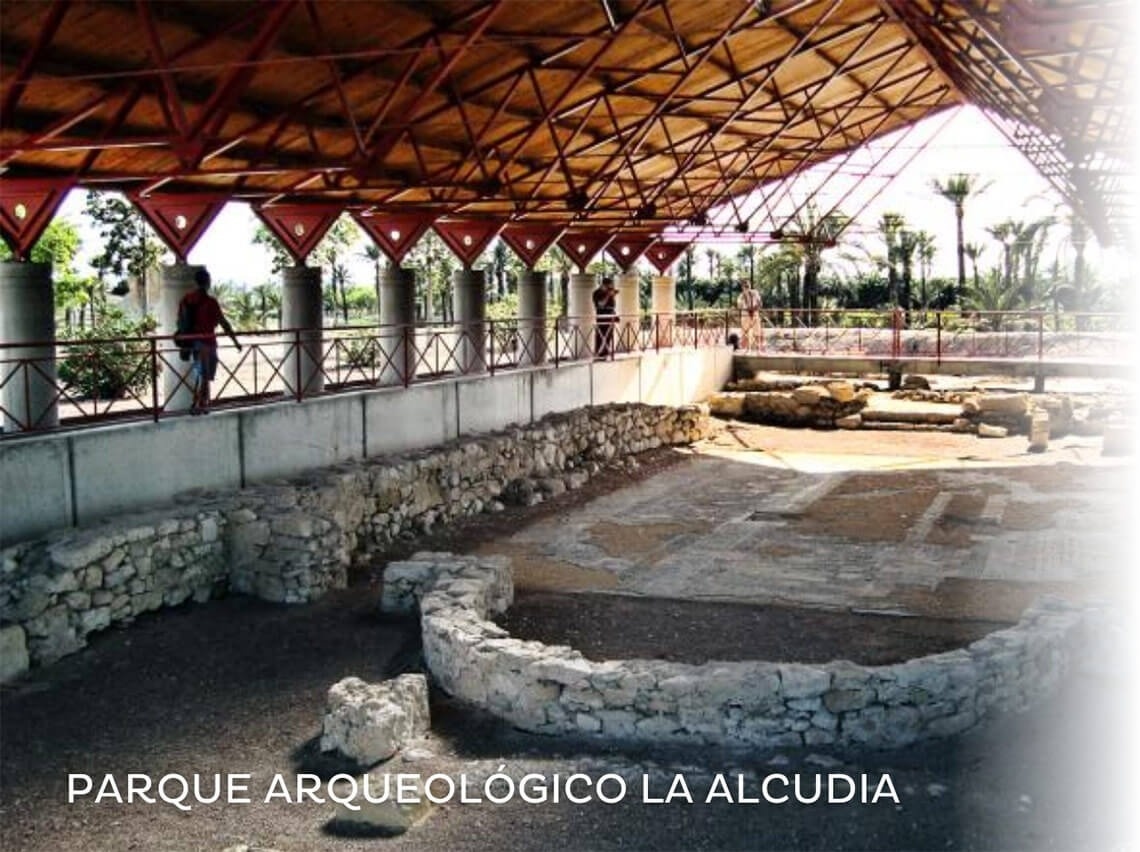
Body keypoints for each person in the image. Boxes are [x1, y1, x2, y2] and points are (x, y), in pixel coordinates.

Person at [177, 268, 241, 414]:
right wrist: (235, 341)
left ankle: (198, 403)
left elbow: (179, 321)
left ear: (195, 281)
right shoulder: (210, 302)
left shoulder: (186, 299)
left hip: (192, 342)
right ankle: (201, 405)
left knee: (200, 373)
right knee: (205, 375)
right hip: (207, 341)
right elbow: (224, 323)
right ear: (208, 282)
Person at [592, 276, 618, 357]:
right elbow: (601, 305)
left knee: (609, 335)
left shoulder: (609, 293)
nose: (609, 288)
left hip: (610, 316)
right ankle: (599, 353)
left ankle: (606, 352)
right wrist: (608, 295)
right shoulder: (597, 293)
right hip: (601, 316)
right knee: (600, 335)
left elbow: (612, 306)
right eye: (608, 286)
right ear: (603, 285)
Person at [736, 280, 763, 350]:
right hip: (745, 315)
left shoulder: (755, 293)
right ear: (742, 287)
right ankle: (746, 349)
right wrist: (746, 308)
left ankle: (758, 348)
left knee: (757, 331)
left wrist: (754, 308)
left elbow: (760, 303)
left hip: (754, 313)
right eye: (745, 286)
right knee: (745, 332)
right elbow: (739, 306)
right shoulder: (741, 296)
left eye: (748, 285)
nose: (746, 287)